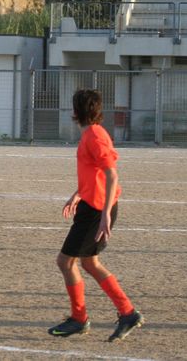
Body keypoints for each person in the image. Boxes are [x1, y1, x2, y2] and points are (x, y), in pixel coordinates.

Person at [48, 88, 143, 342]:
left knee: (65, 262)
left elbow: (112, 174)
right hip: (92, 205)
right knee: (89, 263)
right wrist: (78, 193)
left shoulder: (94, 136)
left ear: (76, 111)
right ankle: (127, 312)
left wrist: (105, 215)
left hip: (96, 210)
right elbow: (96, 173)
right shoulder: (92, 133)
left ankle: (80, 319)